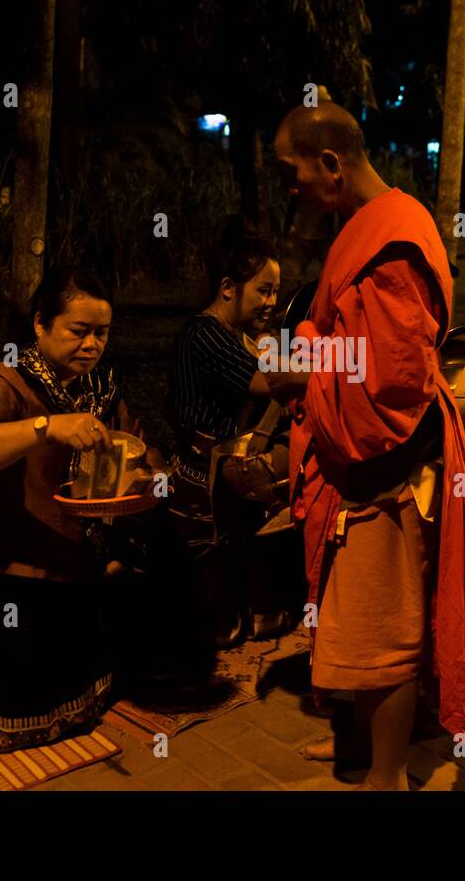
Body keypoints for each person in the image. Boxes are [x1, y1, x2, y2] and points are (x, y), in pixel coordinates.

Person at [273, 100, 465, 790]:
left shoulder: (391, 244)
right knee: (355, 610)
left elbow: (387, 388)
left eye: (291, 171)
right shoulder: (372, 225)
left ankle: (386, 774)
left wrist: (300, 363)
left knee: (382, 622)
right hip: (358, 452)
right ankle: (360, 744)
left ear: (330, 163)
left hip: (383, 462)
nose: (290, 186)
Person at [0, 268, 149, 753]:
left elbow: (131, 446)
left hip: (74, 564)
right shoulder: (7, 381)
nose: (93, 344)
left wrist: (148, 472)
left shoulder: (100, 387)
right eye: (79, 331)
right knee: (9, 718)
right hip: (9, 571)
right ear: (39, 324)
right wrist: (46, 426)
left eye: (102, 332)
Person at [168, 217, 300, 648]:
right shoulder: (204, 334)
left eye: (275, 292)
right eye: (263, 290)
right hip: (198, 481)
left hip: (225, 471)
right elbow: (272, 381)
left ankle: (255, 600)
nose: (272, 302)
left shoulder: (240, 335)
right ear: (228, 287)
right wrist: (341, 369)